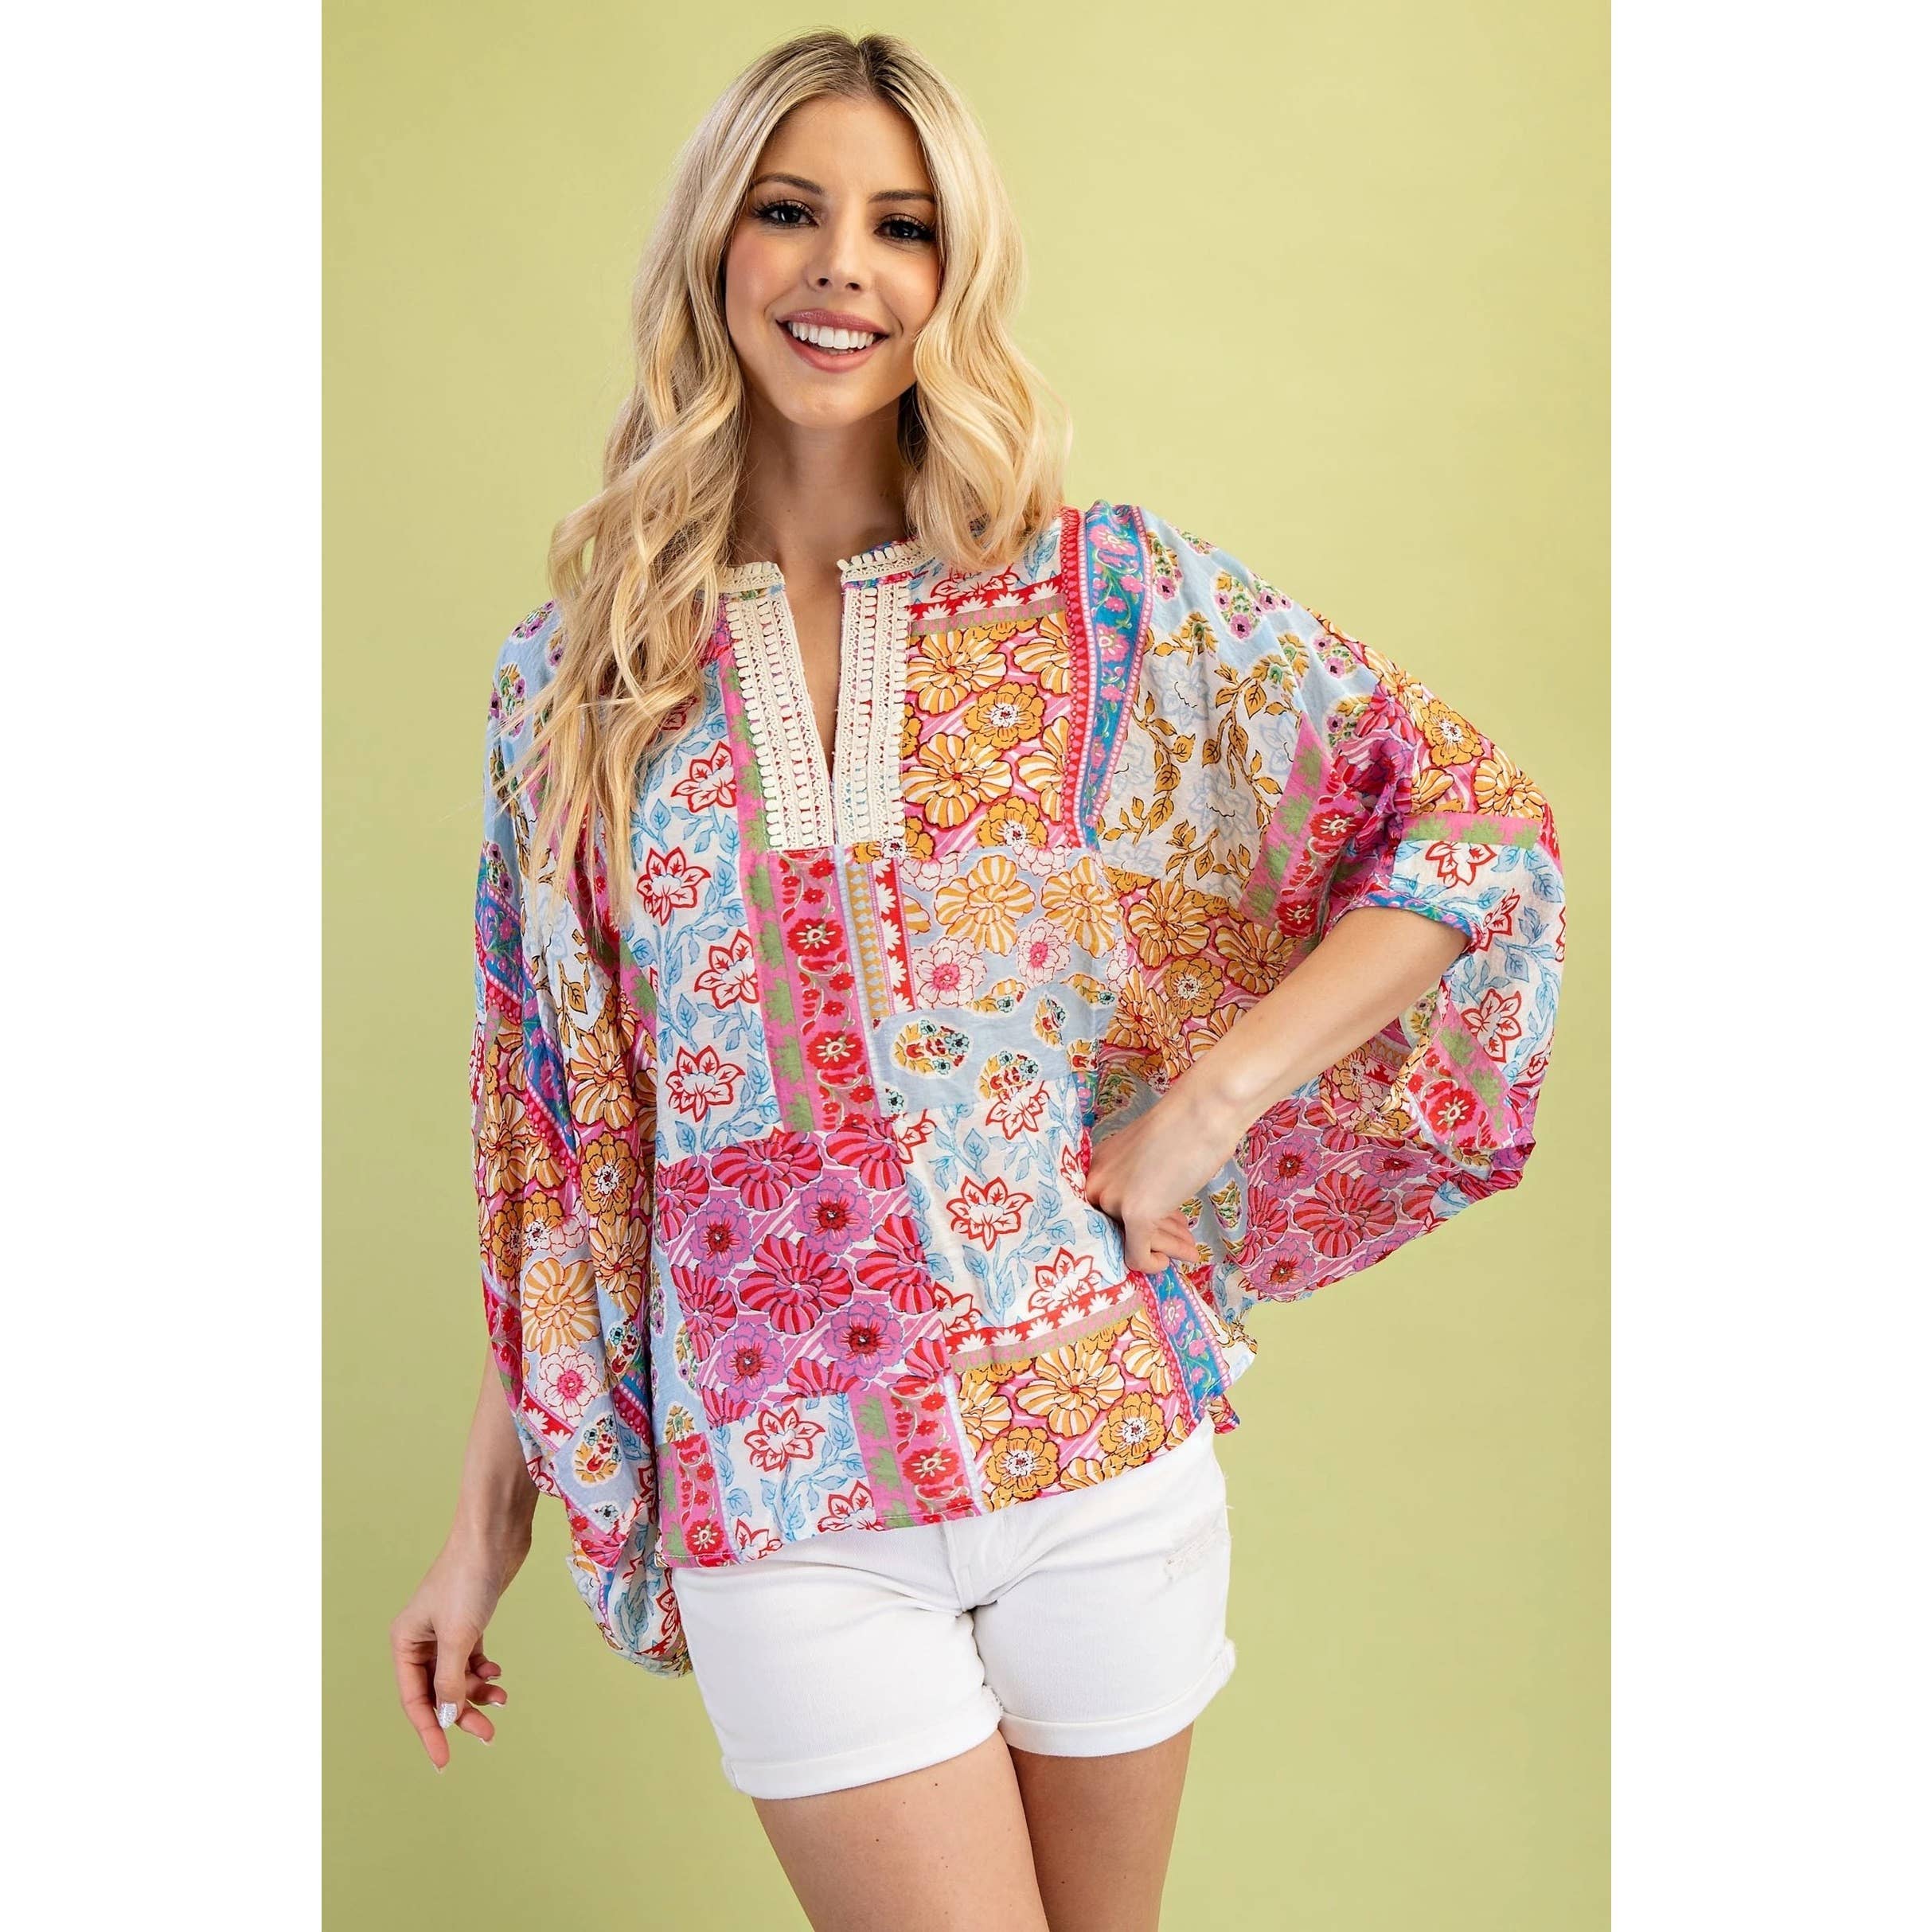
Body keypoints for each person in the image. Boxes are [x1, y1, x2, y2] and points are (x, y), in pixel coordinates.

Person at [390, 28, 1566, 1931]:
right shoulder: (576, 684)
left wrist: (1205, 1108)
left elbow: (1471, 826)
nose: (840, 267)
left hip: (1097, 1444)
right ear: (715, 245)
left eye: (901, 225)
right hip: (787, 1491)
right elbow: (562, 1142)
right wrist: (480, 1525)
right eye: (790, 211)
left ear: (953, 274)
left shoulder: (1095, 600)